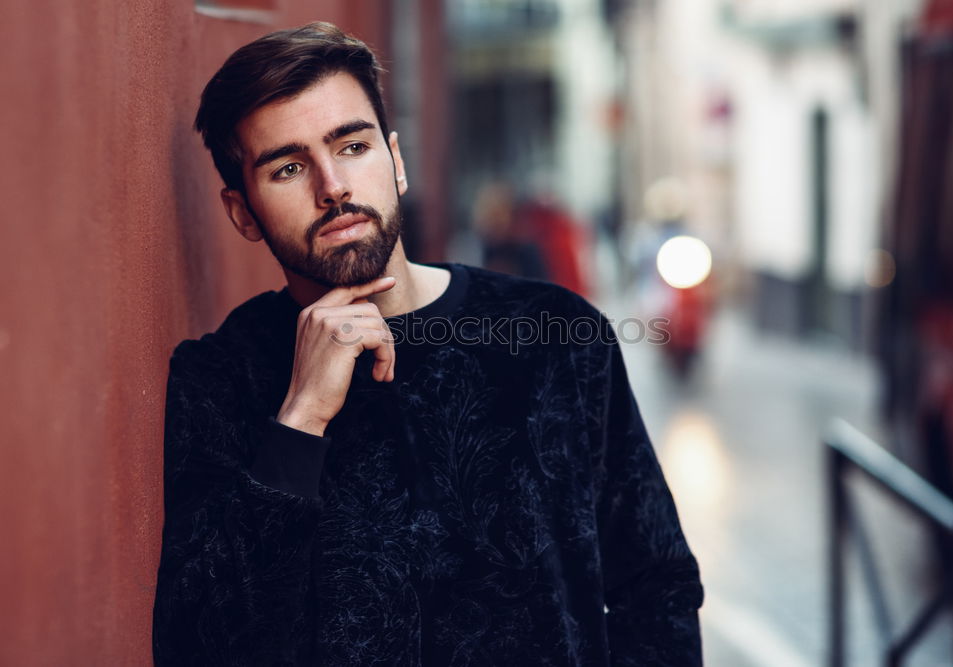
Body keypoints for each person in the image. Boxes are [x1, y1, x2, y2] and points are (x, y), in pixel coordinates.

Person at [152, 22, 703, 666]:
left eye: (352, 146)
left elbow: (656, 586)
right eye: (289, 167)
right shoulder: (219, 377)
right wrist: (300, 419)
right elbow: (199, 644)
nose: (332, 187)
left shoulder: (558, 336)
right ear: (242, 212)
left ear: (396, 161)